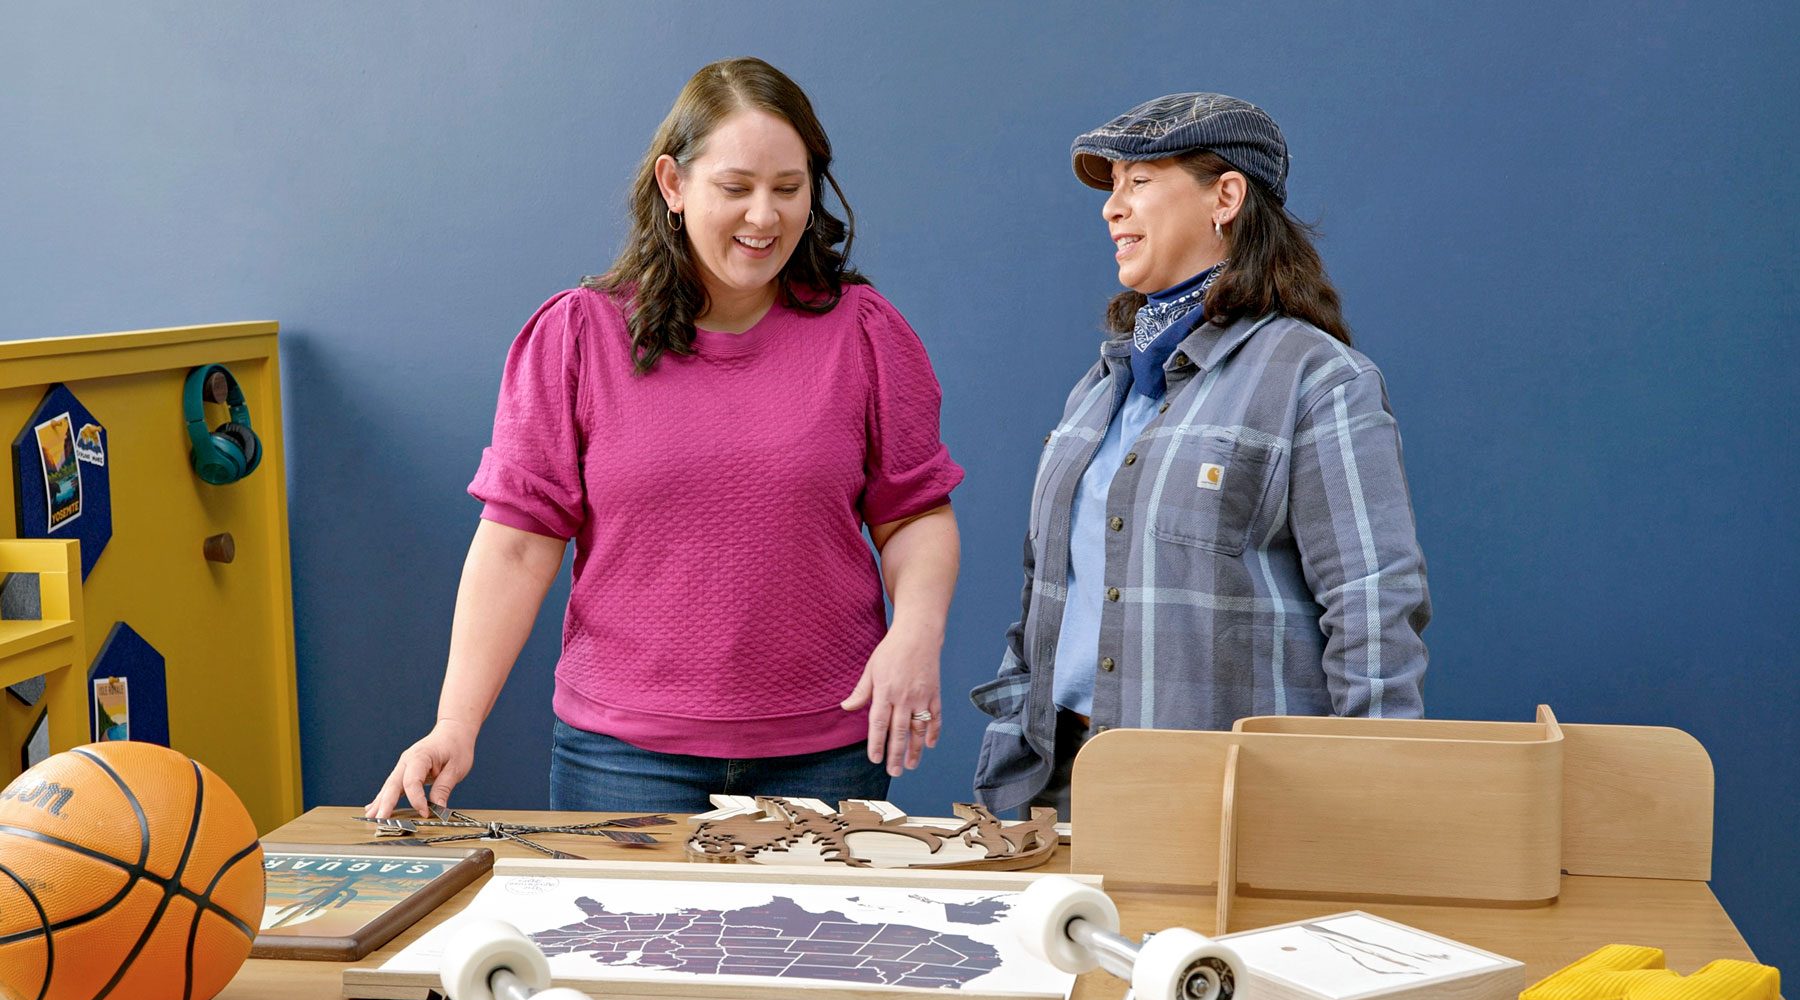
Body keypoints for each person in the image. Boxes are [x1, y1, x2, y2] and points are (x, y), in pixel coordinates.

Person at [371, 57, 962, 818]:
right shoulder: (577, 336)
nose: (764, 217)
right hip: (623, 758)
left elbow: (913, 514)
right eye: (736, 187)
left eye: (789, 188)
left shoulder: (866, 334)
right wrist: (455, 723)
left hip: (828, 753)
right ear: (673, 185)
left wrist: (916, 634)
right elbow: (517, 543)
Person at [971, 93, 1429, 817]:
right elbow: (1045, 594)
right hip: (1058, 786)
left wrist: (1370, 800)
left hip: (1223, 802)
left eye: (1139, 182)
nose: (1111, 208)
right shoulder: (1098, 391)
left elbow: (1373, 602)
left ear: (1226, 195)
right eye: (1112, 187)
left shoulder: (1319, 379)